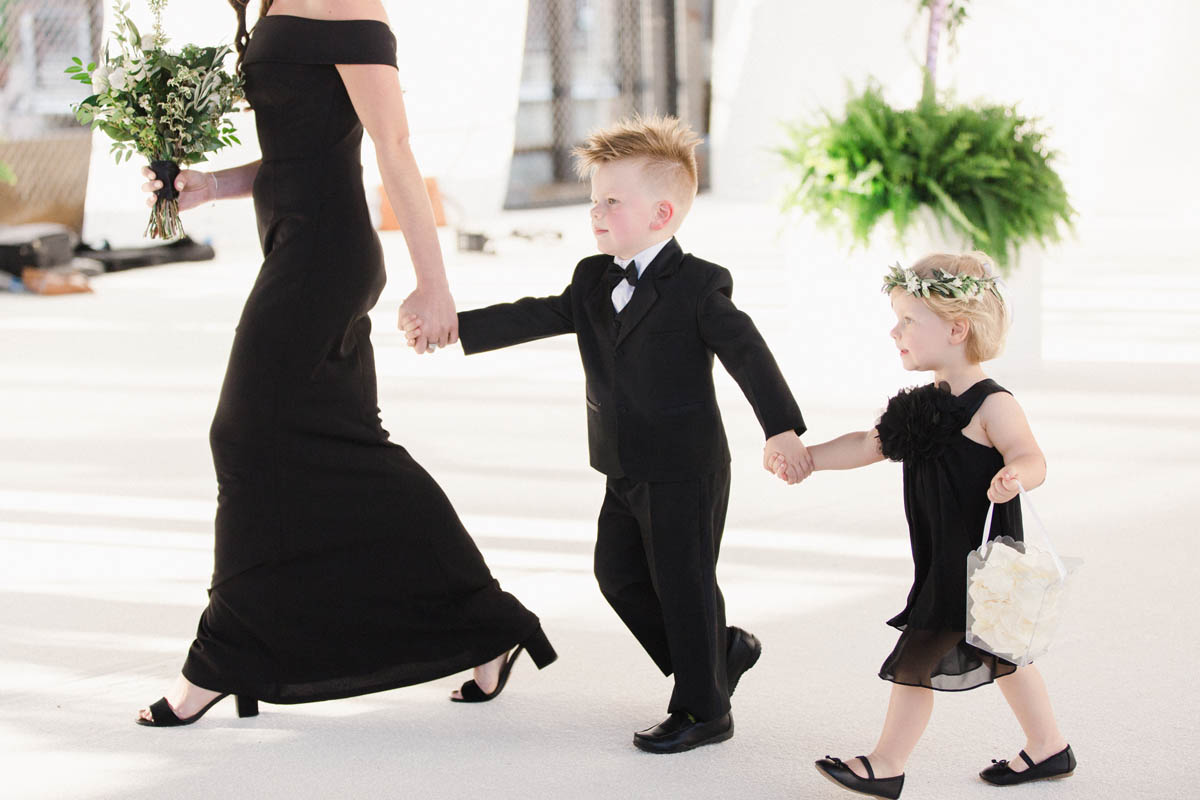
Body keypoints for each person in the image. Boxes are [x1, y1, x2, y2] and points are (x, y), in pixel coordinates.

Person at [133, 0, 555, 727]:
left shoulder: (345, 0)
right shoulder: (272, 3)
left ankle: (220, 659)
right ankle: (490, 624)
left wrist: (434, 281)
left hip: (326, 256)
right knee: (347, 444)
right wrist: (212, 184)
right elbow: (307, 143)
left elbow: (390, 144)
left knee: (241, 436)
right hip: (294, 243)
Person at [402, 115, 812, 753]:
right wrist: (457, 327)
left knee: (684, 584)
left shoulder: (700, 285)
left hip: (684, 465)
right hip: (622, 463)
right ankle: (719, 650)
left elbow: (749, 354)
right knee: (617, 574)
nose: (596, 213)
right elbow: (539, 314)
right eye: (594, 200)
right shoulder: (594, 278)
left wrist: (781, 428)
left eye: (612, 202)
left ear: (663, 212)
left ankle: (706, 710)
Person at [772, 253, 1074, 797]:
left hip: (979, 557)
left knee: (919, 654)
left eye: (908, 321)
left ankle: (886, 764)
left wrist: (1015, 474)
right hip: (939, 554)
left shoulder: (992, 404)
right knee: (1002, 650)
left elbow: (1034, 458)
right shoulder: (920, 407)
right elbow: (867, 445)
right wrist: (810, 457)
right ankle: (1048, 746)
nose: (895, 331)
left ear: (956, 329)